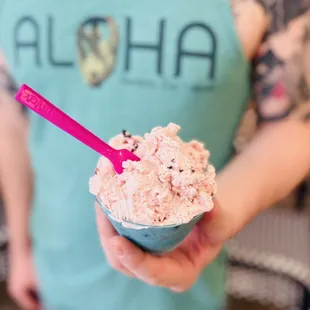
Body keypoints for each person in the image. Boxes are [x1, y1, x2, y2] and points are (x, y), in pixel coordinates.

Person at [0, 0, 309, 309]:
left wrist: (219, 214)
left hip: (184, 289)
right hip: (54, 275)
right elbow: (13, 124)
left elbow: (298, 123)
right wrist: (21, 246)